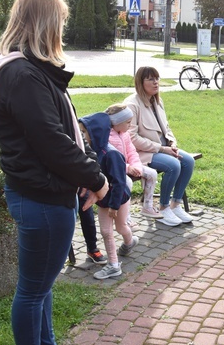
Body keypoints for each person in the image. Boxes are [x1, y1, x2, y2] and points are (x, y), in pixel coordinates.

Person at [0, 0, 107, 345]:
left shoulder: (30, 70)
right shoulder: (22, 74)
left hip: (45, 193)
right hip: (41, 197)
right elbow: (51, 142)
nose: (63, 30)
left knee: (43, 284)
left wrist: (86, 175)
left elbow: (67, 131)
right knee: (32, 290)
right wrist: (97, 178)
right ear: (45, 23)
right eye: (61, 22)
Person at [124, 66, 195, 227]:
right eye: (150, 79)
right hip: (142, 153)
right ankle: (163, 207)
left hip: (163, 148)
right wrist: (162, 148)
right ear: (140, 83)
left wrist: (172, 143)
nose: (155, 82)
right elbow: (131, 137)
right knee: (173, 165)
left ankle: (175, 205)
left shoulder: (157, 101)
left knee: (188, 161)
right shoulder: (132, 104)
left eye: (157, 78)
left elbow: (166, 127)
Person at [79, 113, 139, 279]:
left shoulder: (111, 154)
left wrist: (114, 206)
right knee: (106, 231)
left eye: (84, 132)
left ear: (96, 132)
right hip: (103, 199)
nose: (82, 136)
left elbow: (120, 183)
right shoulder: (92, 152)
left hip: (118, 199)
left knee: (121, 228)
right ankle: (113, 265)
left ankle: (130, 241)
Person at [105, 103, 162, 219]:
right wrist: (127, 168)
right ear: (117, 122)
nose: (130, 125)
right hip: (114, 171)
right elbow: (111, 160)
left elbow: (132, 152)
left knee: (152, 174)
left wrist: (136, 166)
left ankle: (147, 206)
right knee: (127, 183)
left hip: (129, 166)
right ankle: (126, 217)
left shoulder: (125, 134)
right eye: (127, 122)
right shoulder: (107, 137)